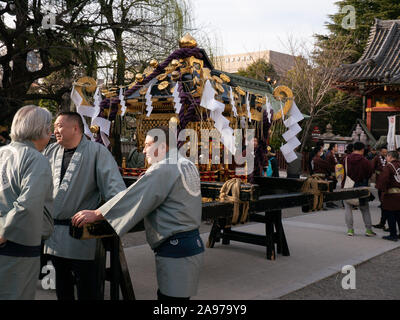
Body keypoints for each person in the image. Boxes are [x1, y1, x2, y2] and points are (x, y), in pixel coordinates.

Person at [72, 126, 204, 300]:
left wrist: (98, 213)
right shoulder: (187, 164)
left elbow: (133, 197)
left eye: (148, 144)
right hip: (191, 243)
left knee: (171, 301)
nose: (143, 150)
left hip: (175, 247)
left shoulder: (162, 168)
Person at [43, 111, 126, 300]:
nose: (55, 130)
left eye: (59, 125)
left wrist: (98, 213)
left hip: (81, 236)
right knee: (62, 290)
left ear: (75, 128)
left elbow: (117, 193)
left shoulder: (97, 152)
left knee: (87, 291)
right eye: (55, 126)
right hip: (53, 236)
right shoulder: (50, 152)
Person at [0, 105, 53, 299]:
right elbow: (28, 204)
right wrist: (4, 232)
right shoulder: (36, 159)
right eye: (50, 128)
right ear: (42, 130)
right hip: (16, 244)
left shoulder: (3, 152)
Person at [342, 142, 376, 237]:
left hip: (348, 186)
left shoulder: (345, 159)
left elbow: (341, 172)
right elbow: (369, 173)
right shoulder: (365, 161)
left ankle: (350, 230)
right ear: (362, 149)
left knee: (348, 208)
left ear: (353, 149)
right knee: (365, 209)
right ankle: (368, 230)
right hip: (361, 187)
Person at [376, 151, 400, 241]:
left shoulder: (388, 167)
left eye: (387, 157)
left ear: (390, 156)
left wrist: (382, 190)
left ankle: (393, 235)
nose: (386, 159)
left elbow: (383, 180)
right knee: (399, 215)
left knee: (391, 215)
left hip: (391, 194)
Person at [372, 146, 388, 230]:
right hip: (379, 179)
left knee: (385, 203)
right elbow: (372, 167)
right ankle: (382, 222)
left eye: (386, 152)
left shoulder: (389, 159)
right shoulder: (376, 158)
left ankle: (383, 222)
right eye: (383, 152)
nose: (385, 154)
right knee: (381, 197)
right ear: (380, 152)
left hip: (387, 181)